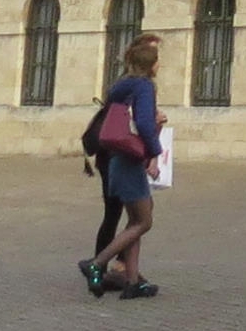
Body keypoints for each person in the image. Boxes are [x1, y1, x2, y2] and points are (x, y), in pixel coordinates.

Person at [80, 34, 168, 300]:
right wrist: (155, 151)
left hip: (117, 158)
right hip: (130, 160)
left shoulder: (121, 85)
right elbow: (142, 124)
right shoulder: (144, 87)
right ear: (151, 65)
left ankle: (132, 282)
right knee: (143, 221)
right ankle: (97, 263)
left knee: (134, 219)